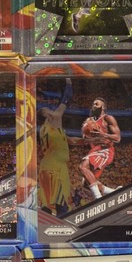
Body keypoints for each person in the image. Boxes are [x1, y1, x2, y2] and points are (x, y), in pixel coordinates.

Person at [38, 78, 73, 215]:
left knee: (47, 206)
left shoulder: (43, 129)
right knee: (61, 204)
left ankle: (45, 226)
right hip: (55, 167)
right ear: (47, 115)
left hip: (45, 167)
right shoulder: (54, 119)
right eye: (48, 110)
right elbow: (66, 100)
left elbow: (66, 140)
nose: (52, 110)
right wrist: (69, 83)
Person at [79, 97, 121, 200]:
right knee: (86, 183)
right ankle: (114, 192)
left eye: (96, 104)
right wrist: (85, 131)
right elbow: (85, 139)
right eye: (93, 104)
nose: (94, 106)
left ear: (103, 107)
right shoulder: (90, 121)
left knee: (83, 166)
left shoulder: (108, 118)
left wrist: (103, 134)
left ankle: (98, 197)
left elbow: (117, 138)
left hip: (105, 149)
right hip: (95, 150)